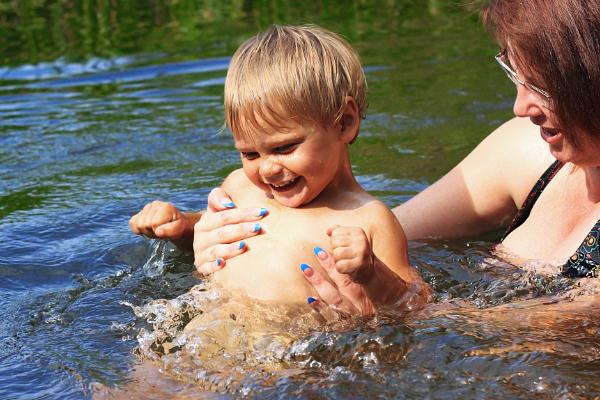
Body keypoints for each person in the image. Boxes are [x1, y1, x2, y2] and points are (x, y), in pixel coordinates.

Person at [136, 0, 600, 316]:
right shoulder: (527, 150)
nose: (520, 106)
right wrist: (200, 232)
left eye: (541, 83)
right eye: (514, 73)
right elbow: (376, 234)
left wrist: (378, 289)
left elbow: (412, 297)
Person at [129, 24, 430, 308]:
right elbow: (213, 238)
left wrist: (371, 272)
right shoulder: (239, 186)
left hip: (292, 351)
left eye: (284, 148)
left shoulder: (369, 220)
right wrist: (181, 227)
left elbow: (416, 304)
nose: (267, 170)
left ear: (344, 123)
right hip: (203, 332)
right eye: (249, 154)